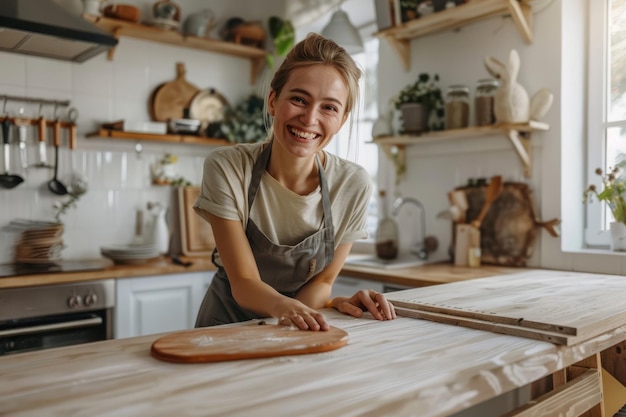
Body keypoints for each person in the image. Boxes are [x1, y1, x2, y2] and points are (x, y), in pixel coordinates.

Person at [193, 32, 396, 331]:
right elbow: (244, 282)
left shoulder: (353, 184)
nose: (310, 118)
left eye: (329, 107)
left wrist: (328, 304)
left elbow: (324, 281)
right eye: (299, 99)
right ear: (274, 100)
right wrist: (294, 310)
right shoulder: (228, 167)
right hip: (225, 328)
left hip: (295, 330)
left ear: (341, 120)